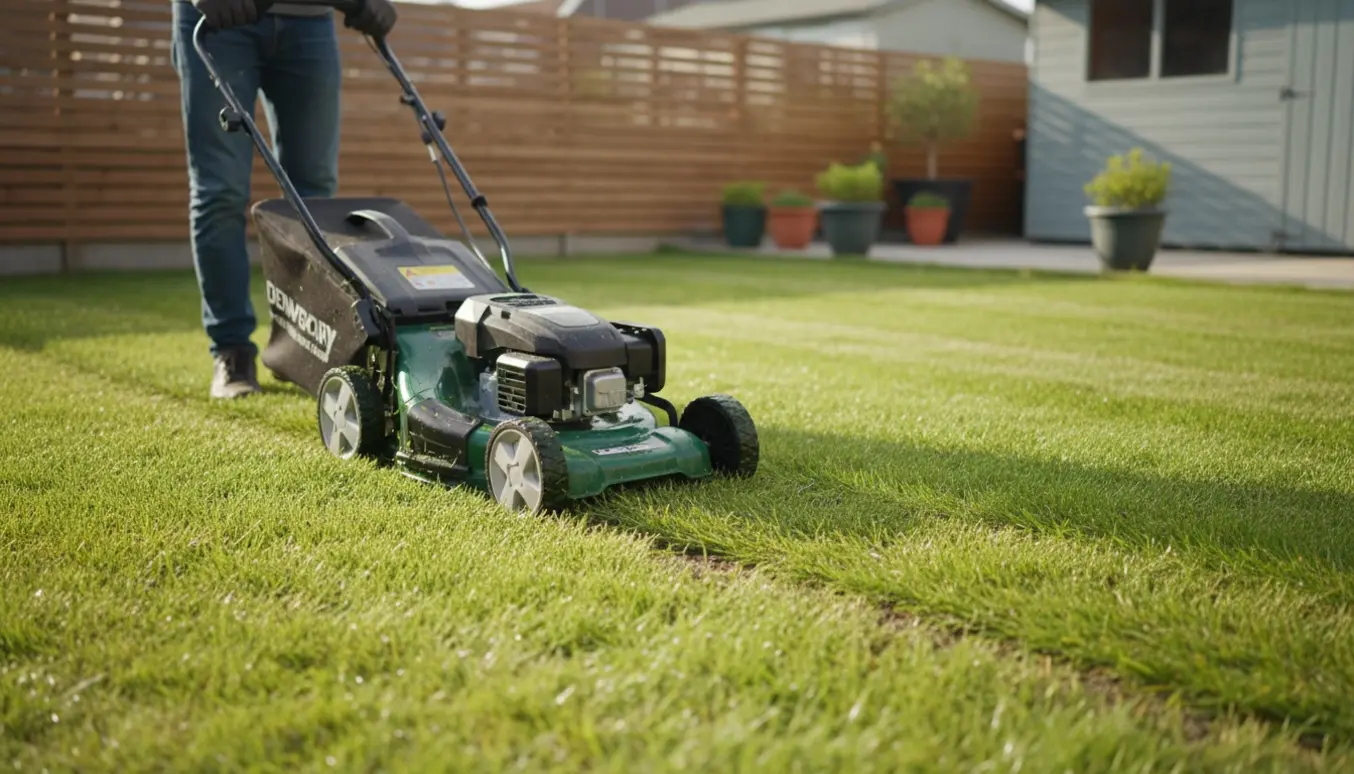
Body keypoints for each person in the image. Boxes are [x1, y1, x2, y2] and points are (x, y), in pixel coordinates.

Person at [171, 0, 396, 399]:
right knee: (220, 189)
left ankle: (306, 350)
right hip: (219, 18)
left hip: (310, 20)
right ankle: (232, 352)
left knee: (313, 195)